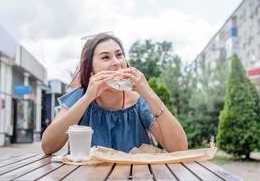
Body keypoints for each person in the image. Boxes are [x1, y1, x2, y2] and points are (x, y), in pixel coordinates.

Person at [41, 33, 188, 154]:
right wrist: (87, 98)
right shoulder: (79, 96)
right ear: (91, 69)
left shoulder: (139, 102)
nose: (116, 62)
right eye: (105, 57)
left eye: (119, 55)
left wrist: (149, 93)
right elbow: (48, 147)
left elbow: (179, 149)